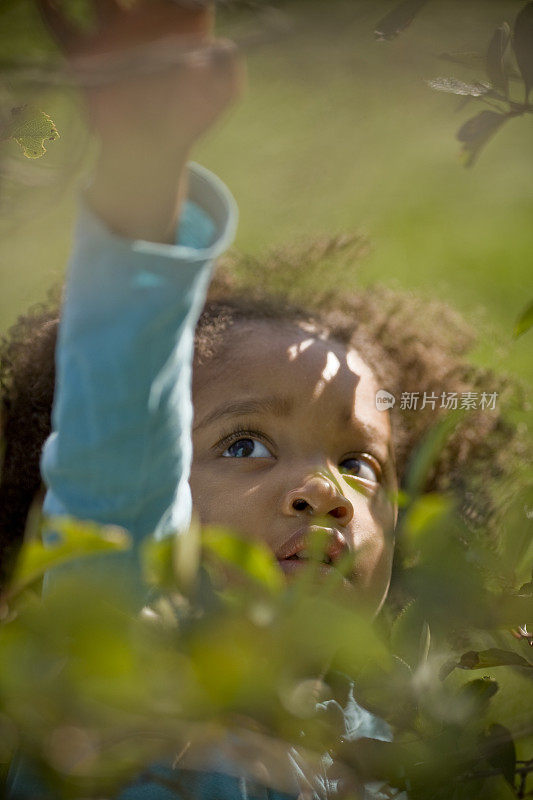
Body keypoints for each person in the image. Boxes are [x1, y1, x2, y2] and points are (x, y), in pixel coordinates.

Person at [0, 0, 526, 797]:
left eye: (361, 464)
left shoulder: (402, 761)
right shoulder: (110, 694)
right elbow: (116, 451)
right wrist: (145, 175)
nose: (326, 493)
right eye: (242, 445)